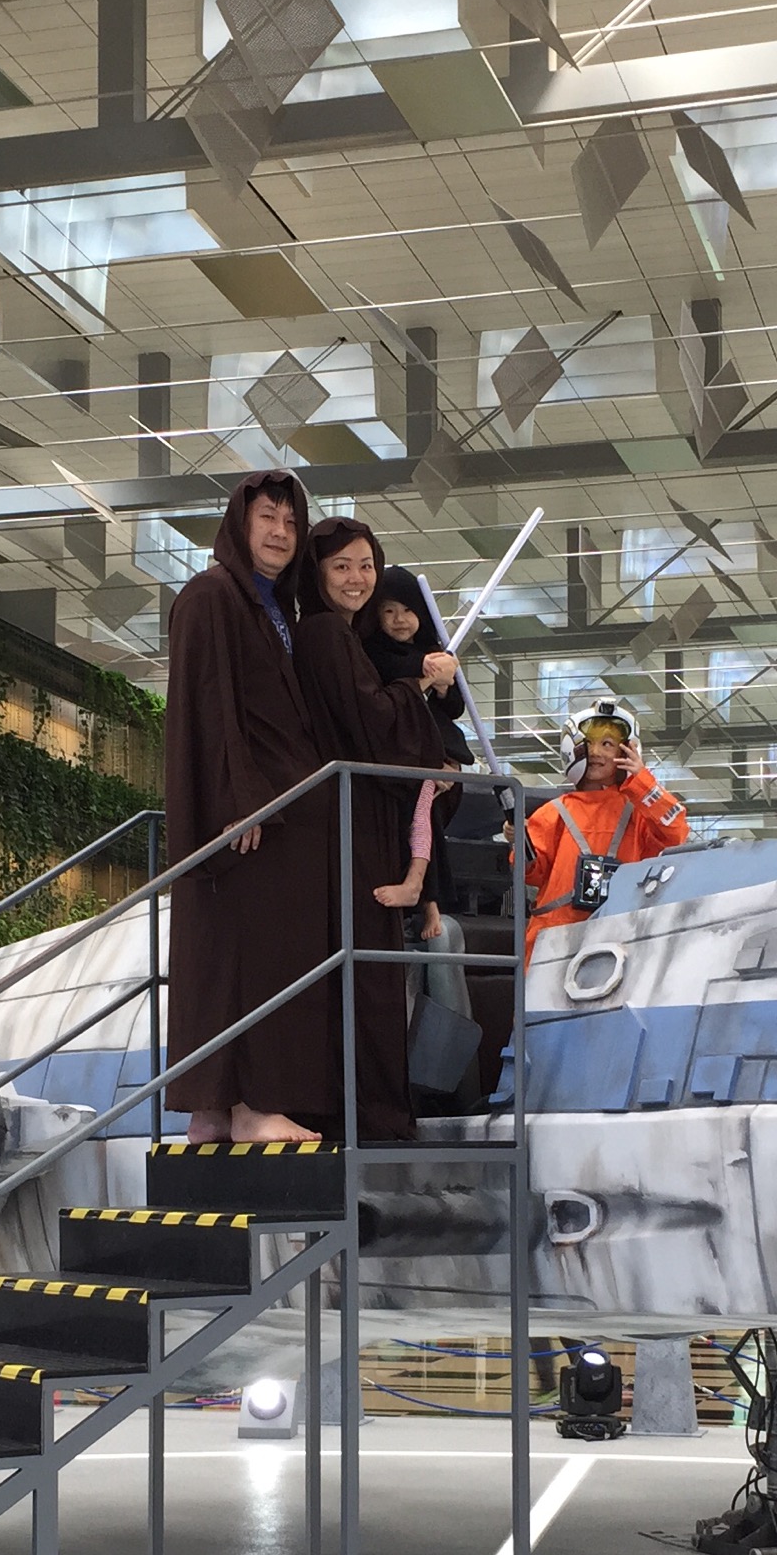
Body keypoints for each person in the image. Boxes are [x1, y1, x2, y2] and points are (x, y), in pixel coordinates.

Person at [163, 470, 338, 1144]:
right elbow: (209, 705)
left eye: (291, 523)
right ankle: (251, 1106)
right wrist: (236, 801)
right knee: (245, 962)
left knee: (231, 960)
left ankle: (214, 1108)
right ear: (240, 523)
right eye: (267, 517)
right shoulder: (212, 595)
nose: (280, 533)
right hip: (247, 819)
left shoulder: (271, 607)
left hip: (272, 815)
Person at [291, 519, 459, 1141]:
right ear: (318, 573)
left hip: (361, 822)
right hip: (354, 824)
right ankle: (369, 1115)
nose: (357, 578)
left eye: (366, 565)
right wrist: (422, 684)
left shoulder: (340, 636)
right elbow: (373, 721)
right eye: (341, 566)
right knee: (366, 976)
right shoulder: (326, 634)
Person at [360, 568, 476, 941]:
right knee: (422, 813)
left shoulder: (434, 650)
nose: (399, 620)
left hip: (438, 755)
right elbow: (394, 678)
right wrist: (427, 673)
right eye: (389, 611)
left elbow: (455, 706)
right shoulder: (375, 654)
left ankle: (417, 886)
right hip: (414, 759)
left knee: (423, 810)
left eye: (408, 610)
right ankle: (428, 900)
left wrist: (443, 685)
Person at [524, 696, 688, 955]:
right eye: (588, 743)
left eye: (607, 744)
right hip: (556, 942)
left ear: (626, 751)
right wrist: (519, 840)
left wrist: (641, 781)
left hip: (621, 937)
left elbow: (675, 832)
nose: (596, 752)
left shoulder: (639, 813)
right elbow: (531, 873)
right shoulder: (552, 814)